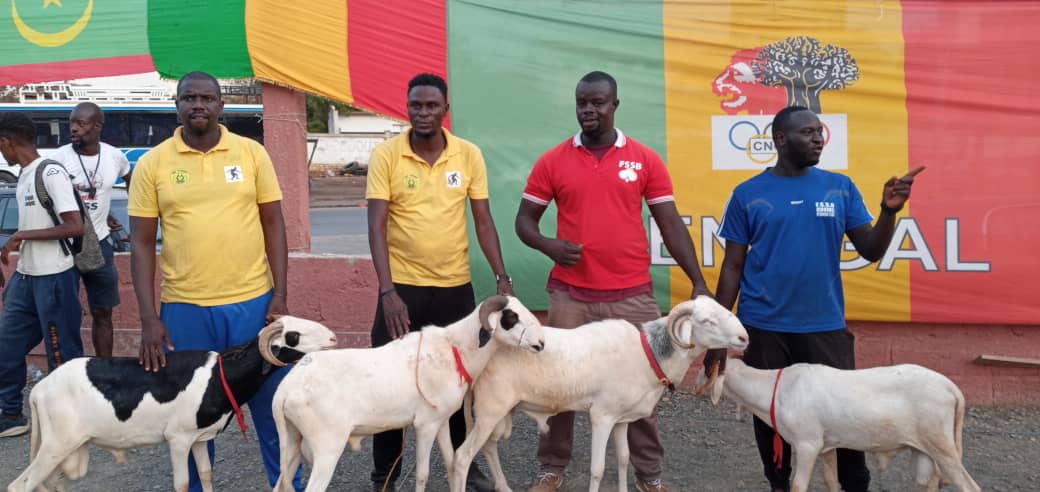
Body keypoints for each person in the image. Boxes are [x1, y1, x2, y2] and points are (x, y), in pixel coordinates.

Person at [515, 71, 711, 492]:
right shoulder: (553, 160)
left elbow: (670, 224)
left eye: (598, 102)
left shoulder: (644, 159)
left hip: (632, 295)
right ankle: (552, 468)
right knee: (558, 383)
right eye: (582, 102)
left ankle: (650, 475)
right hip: (570, 295)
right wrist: (550, 246)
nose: (589, 109)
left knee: (642, 387)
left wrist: (697, 281)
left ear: (615, 105)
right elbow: (524, 222)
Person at [711, 105, 925, 492]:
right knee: (772, 414)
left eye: (819, 132)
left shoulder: (839, 187)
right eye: (808, 132)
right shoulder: (747, 194)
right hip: (764, 326)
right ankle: (779, 482)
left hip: (824, 324)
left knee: (844, 411)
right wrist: (717, 334)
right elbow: (732, 266)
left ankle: (854, 483)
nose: (818, 139)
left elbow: (870, 250)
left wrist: (888, 212)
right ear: (780, 139)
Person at [128, 72, 300, 491]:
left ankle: (288, 486)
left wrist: (279, 294)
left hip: (252, 304)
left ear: (221, 105)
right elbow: (141, 243)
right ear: (177, 104)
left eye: (207, 98)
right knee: (190, 415)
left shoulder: (251, 153)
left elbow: (274, 224)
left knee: (273, 406)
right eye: (189, 97)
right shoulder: (153, 163)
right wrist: (149, 317)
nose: (198, 104)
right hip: (184, 308)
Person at [365, 72, 512, 492]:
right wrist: (387, 291)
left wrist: (502, 277)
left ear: (446, 109)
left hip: (454, 289)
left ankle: (464, 466)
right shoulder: (386, 155)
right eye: (416, 105)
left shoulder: (468, 155)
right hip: (402, 290)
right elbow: (376, 226)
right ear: (407, 107)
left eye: (432, 106)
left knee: (458, 383)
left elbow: (483, 221)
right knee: (390, 383)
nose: (423, 113)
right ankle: (385, 475)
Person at [0, 112, 85, 437]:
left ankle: (72, 422)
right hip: (26, 277)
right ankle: (11, 414)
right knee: (6, 345)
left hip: (55, 277)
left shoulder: (50, 172)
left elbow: (74, 226)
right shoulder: (24, 175)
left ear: (7, 141)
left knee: (61, 353)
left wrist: (22, 235)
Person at [51, 102, 131, 358]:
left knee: (103, 311)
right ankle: (68, 369)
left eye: (81, 123)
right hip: (65, 246)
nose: (73, 129)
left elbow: (133, 183)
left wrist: (131, 219)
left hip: (100, 243)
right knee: (65, 313)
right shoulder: (58, 159)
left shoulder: (114, 157)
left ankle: (104, 369)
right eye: (71, 123)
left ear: (98, 126)